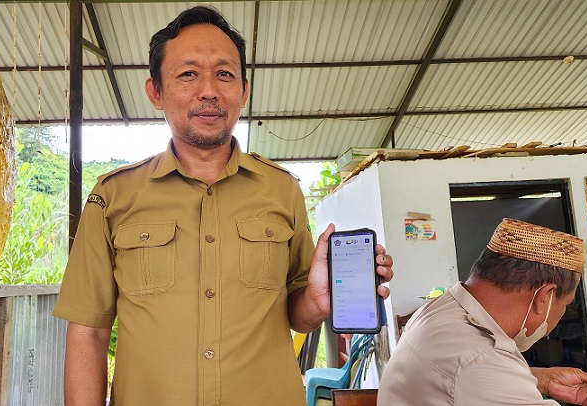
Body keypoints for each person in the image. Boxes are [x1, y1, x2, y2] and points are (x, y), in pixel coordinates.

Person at [52, 6, 394, 406]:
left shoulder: (282, 190)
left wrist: (318, 302)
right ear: (155, 92)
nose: (209, 91)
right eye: (188, 74)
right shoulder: (114, 196)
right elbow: (88, 332)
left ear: (243, 91)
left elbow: (297, 313)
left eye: (225, 74)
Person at [378, 218, 587, 405]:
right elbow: (476, 373)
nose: (561, 314)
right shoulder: (481, 359)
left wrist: (537, 378)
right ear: (544, 297)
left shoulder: (438, 308)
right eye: (565, 304)